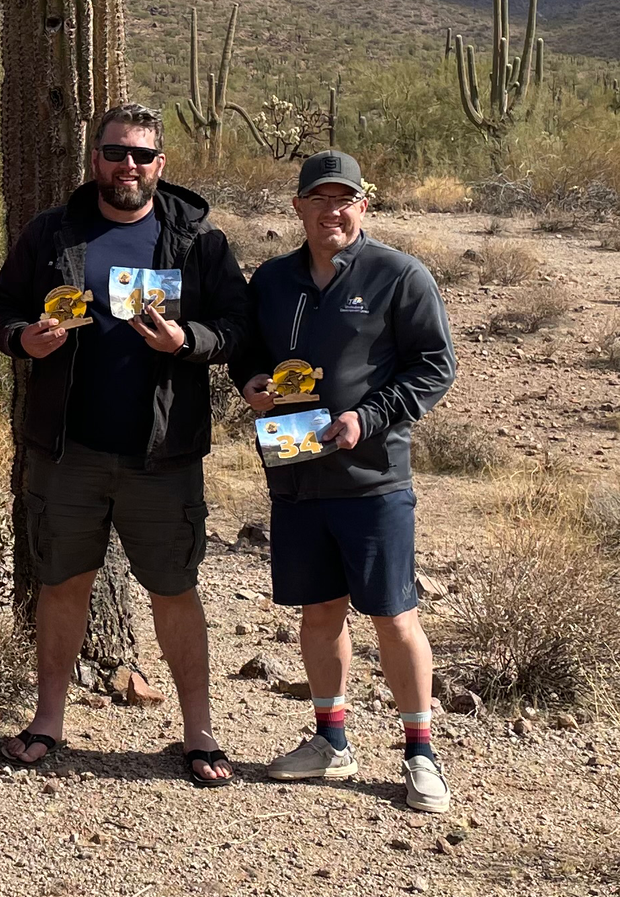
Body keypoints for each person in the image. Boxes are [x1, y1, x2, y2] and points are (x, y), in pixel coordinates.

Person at [0, 103, 250, 787]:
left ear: (160, 164)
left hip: (162, 455)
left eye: (141, 155)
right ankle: (48, 720)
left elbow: (238, 326)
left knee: (174, 589)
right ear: (95, 158)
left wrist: (187, 341)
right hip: (68, 451)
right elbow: (0, 308)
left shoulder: (197, 241)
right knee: (62, 584)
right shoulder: (53, 233)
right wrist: (23, 339)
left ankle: (199, 731)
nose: (127, 166)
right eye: (115, 152)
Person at [231, 149, 457, 813]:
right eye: (319, 199)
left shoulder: (399, 275)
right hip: (295, 471)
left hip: (372, 477)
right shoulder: (273, 280)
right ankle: (331, 741)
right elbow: (248, 350)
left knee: (394, 614)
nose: (332, 211)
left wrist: (370, 416)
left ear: (364, 205)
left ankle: (421, 753)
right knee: (320, 610)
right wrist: (250, 380)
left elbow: (434, 366)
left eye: (345, 199)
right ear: (298, 207)